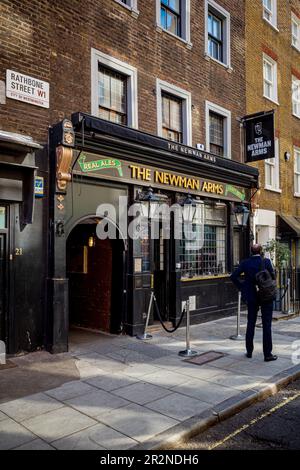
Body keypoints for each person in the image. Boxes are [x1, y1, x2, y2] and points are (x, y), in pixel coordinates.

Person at [230, 244, 277, 362]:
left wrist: (242, 287)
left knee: (250, 323)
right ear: (260, 251)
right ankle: (267, 354)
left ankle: (249, 351)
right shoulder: (266, 261)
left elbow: (233, 276)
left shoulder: (245, 263)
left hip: (251, 296)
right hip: (266, 296)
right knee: (267, 325)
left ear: (251, 251)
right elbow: (272, 276)